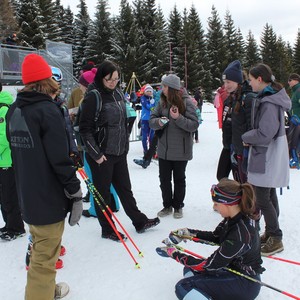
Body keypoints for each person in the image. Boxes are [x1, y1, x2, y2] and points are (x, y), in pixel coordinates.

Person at [6, 53, 83, 300]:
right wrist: (74, 190)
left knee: (41, 249)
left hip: (27, 195)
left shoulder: (15, 110)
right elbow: (60, 159)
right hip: (47, 198)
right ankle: (40, 293)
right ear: (47, 81)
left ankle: (45, 289)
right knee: (44, 257)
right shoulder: (47, 111)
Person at [79, 60, 160, 241]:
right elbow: (85, 129)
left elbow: (122, 120)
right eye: (109, 79)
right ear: (101, 77)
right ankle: (107, 229)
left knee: (125, 189)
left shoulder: (117, 93)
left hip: (119, 151)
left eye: (116, 79)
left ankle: (139, 221)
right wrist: (97, 155)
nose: (113, 83)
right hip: (102, 155)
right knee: (103, 194)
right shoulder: (94, 96)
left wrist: (125, 146)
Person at [157, 178, 264, 300]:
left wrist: (174, 254)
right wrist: (188, 233)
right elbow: (217, 237)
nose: (215, 207)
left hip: (245, 283)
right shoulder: (234, 218)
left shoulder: (239, 234)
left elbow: (209, 265)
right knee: (188, 268)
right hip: (232, 270)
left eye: (217, 204)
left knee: (183, 286)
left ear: (229, 203)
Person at [242, 63, 291, 256]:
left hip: (267, 155)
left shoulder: (269, 102)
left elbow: (265, 133)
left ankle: (275, 237)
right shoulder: (269, 98)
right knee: (268, 194)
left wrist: (246, 136)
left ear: (259, 79)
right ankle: (271, 233)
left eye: (251, 80)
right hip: (268, 154)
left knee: (262, 197)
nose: (250, 83)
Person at [149, 74, 199, 219]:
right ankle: (167, 205)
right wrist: (159, 122)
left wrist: (178, 118)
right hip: (164, 149)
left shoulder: (187, 102)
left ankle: (178, 206)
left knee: (179, 179)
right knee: (164, 179)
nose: (161, 89)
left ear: (172, 88)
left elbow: (194, 125)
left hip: (181, 150)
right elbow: (152, 120)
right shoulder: (162, 102)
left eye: (164, 86)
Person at [216, 60, 254, 183]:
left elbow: (251, 125)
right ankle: (233, 201)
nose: (226, 85)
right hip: (229, 146)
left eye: (229, 82)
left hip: (242, 148)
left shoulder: (247, 98)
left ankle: (245, 202)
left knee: (244, 183)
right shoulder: (230, 99)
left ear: (238, 81)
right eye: (224, 82)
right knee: (221, 176)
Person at [0, 83, 25, 241]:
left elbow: (4, 137)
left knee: (9, 196)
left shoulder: (3, 108)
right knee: (4, 196)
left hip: (7, 161)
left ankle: (16, 227)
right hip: (3, 161)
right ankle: (9, 223)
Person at [287, 73, 300, 168]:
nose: (288, 82)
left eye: (290, 80)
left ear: (296, 80)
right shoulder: (295, 91)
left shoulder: (299, 91)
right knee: (294, 141)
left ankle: (296, 160)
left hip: (298, 122)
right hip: (295, 121)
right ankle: (295, 159)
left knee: (295, 142)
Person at [140, 84, 156, 154]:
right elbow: (147, 106)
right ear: (145, 91)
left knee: (152, 136)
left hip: (151, 119)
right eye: (147, 91)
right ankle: (145, 150)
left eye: (150, 91)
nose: (149, 92)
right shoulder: (143, 98)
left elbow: (155, 107)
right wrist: (153, 106)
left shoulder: (152, 98)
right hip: (144, 120)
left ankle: (151, 150)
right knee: (144, 137)